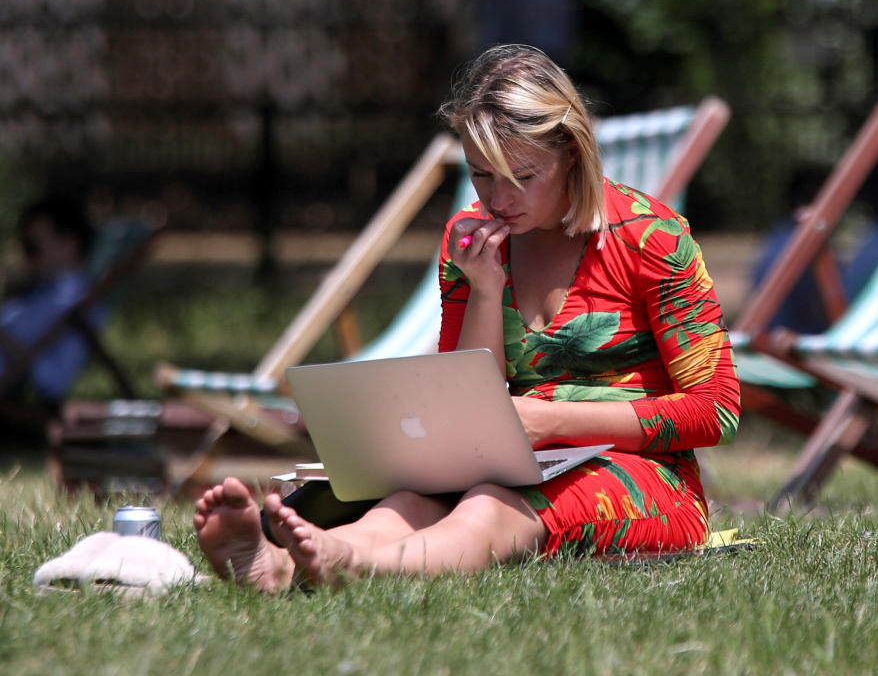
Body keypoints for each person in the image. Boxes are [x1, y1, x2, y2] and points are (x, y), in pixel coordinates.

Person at [194, 44, 740, 590]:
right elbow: (465, 397)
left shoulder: (652, 240)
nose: (498, 199)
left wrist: (552, 422)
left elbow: (716, 412)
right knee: (407, 502)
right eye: (481, 175)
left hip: (646, 479)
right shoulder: (472, 239)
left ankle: (351, 567)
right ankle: (283, 565)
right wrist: (484, 289)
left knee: (486, 506)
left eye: (522, 176)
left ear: (571, 151)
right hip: (507, 464)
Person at [0, 198, 100, 406]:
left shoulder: (75, 301)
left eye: (33, 248)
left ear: (70, 244)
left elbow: (52, 381)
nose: (27, 257)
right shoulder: (45, 291)